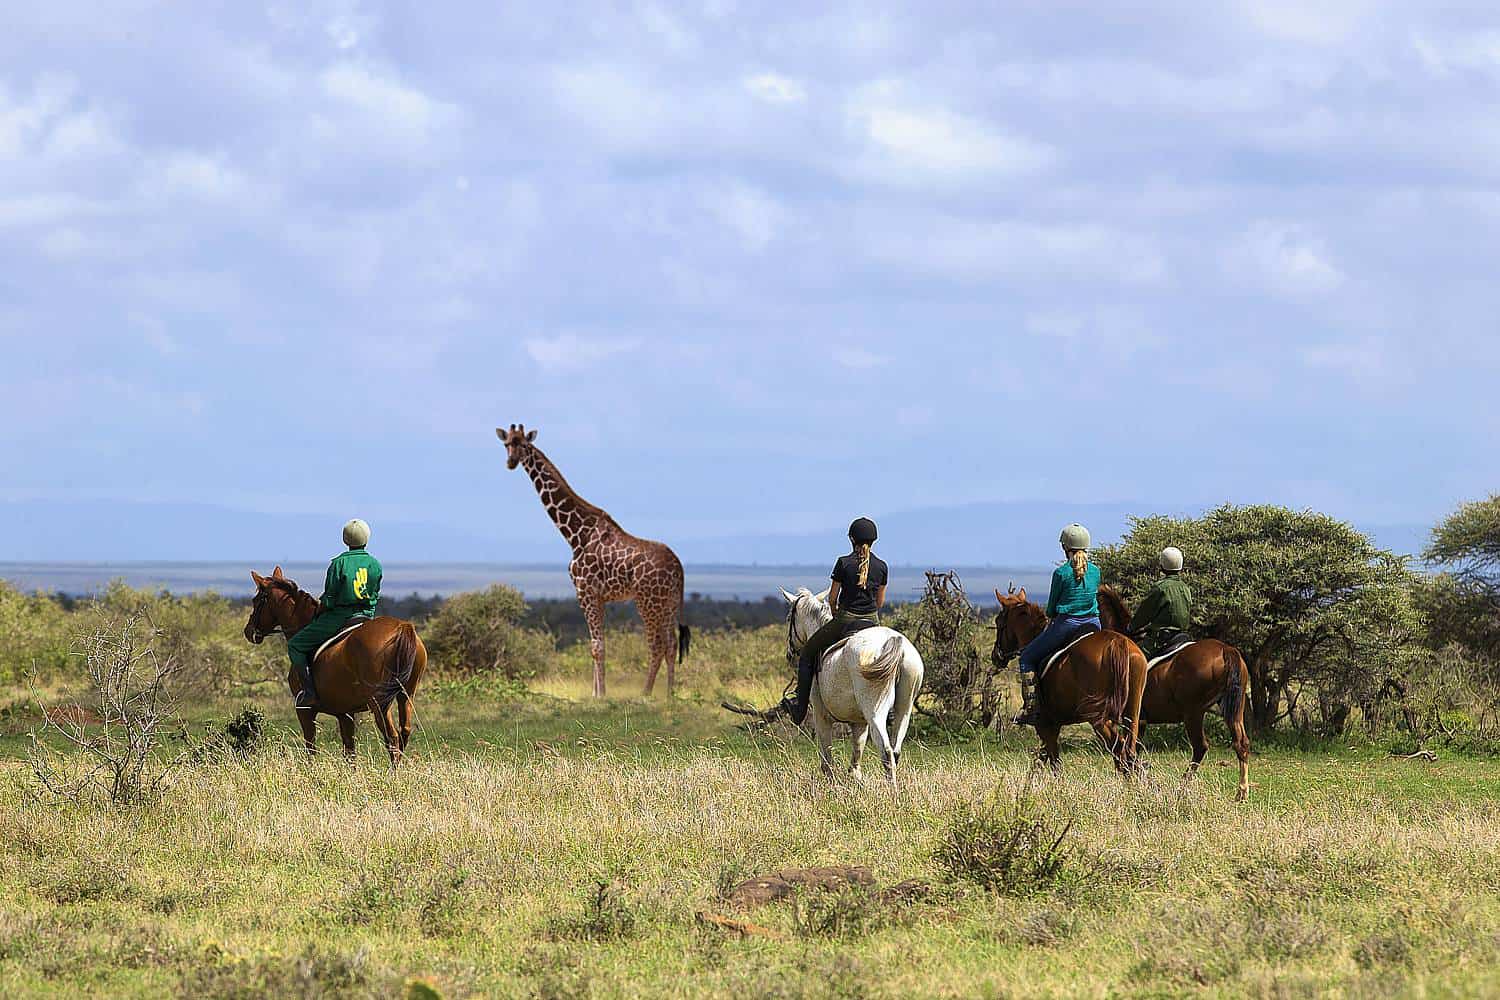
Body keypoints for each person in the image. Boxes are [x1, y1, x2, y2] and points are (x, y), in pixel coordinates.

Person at [779, 517, 888, 724]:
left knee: (808, 652)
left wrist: (837, 612)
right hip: (873, 623)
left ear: (851, 539)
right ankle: (888, 708)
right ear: (874, 540)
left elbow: (831, 598)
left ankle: (799, 709)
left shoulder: (843, 563)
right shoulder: (882, 566)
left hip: (845, 621)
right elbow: (880, 602)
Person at [285, 519, 383, 709]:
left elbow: (330, 598)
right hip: (367, 616)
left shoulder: (338, 563)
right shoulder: (375, 564)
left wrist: (320, 609)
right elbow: (375, 593)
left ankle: (309, 693)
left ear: (345, 539)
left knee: (296, 645)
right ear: (367, 538)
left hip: (341, 617)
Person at [1013, 523, 1101, 727]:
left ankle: (1032, 709)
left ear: (1065, 547)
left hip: (1067, 624)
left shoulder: (1061, 573)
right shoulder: (1096, 571)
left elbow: (1052, 607)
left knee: (1027, 657)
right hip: (1094, 624)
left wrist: (1051, 614)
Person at [1130, 546, 1192, 660]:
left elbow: (1144, 614)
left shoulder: (1160, 588)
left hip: (1160, 640)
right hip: (1182, 636)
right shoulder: (1185, 588)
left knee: (1132, 660)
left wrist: (1131, 627)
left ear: (1162, 565)